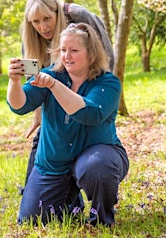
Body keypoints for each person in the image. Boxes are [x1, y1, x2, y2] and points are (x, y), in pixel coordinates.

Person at [7, 23, 129, 226]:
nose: (67, 56)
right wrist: (14, 82)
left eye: (74, 50)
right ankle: (71, 203)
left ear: (91, 53)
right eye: (63, 50)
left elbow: (91, 112)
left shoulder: (108, 83)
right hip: (55, 163)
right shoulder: (50, 74)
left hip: (97, 156)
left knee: (97, 168)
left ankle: (101, 220)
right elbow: (20, 106)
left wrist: (55, 87)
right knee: (30, 220)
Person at [18, 0, 115, 201]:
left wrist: (92, 96)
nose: (42, 27)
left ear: (57, 11)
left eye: (47, 19)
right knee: (44, 140)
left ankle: (85, 194)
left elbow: (106, 57)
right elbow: (32, 75)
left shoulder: (79, 16)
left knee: (85, 146)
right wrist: (38, 112)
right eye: (35, 21)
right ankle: (39, 196)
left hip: (88, 88)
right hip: (53, 90)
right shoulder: (30, 33)